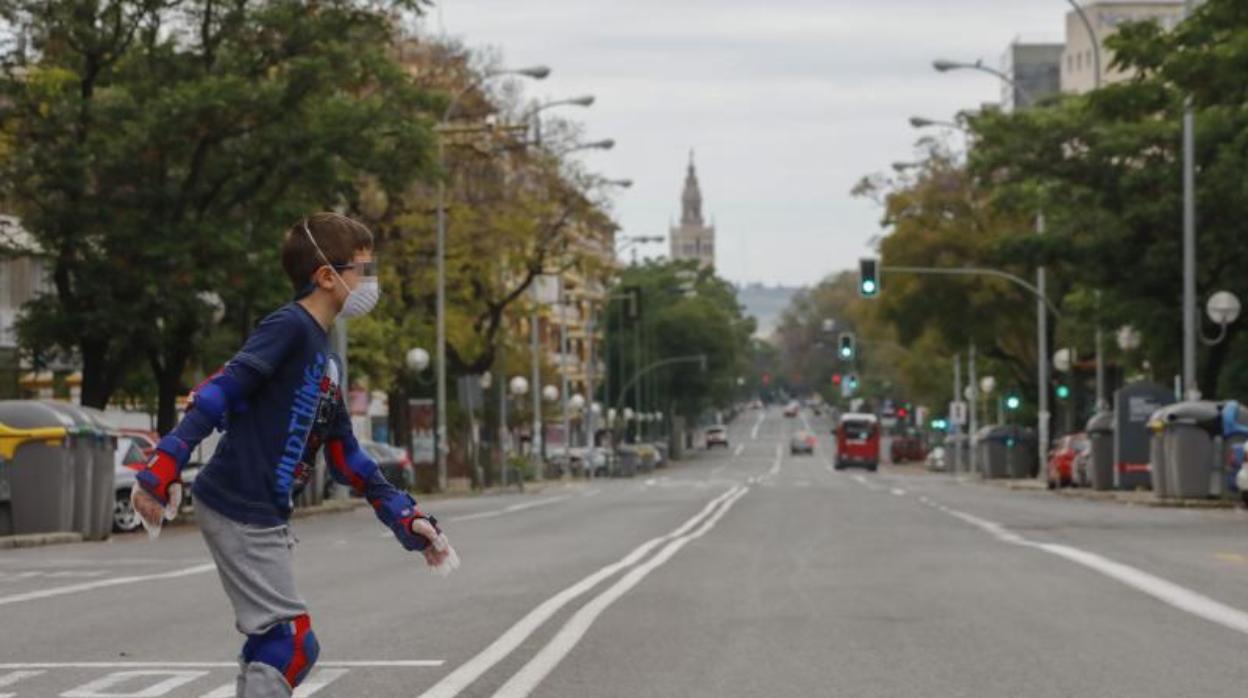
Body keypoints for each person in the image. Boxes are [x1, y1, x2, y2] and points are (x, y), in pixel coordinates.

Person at [132, 212, 457, 698]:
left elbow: (346, 454)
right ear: (327, 276)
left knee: (274, 642)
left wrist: (402, 515)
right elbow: (222, 390)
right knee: (290, 645)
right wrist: (165, 462)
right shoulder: (289, 327)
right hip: (240, 502)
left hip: (262, 510)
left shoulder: (325, 358)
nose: (371, 283)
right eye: (363, 271)